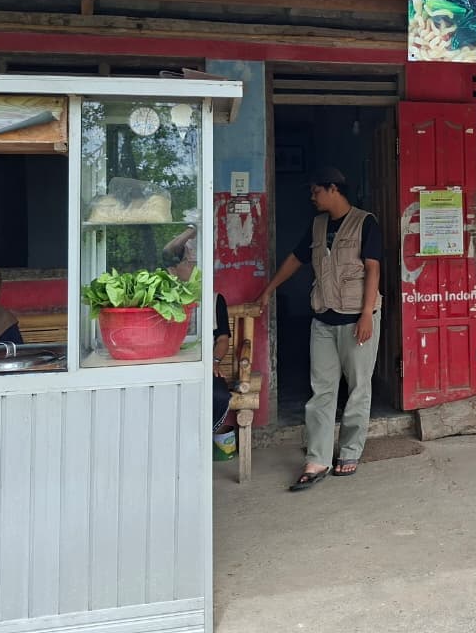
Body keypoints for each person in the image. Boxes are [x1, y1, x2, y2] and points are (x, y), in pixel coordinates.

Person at [258, 167, 382, 491]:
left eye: (316, 191)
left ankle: (351, 450)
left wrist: (367, 313)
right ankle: (318, 458)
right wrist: (269, 290)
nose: (312, 198)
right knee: (322, 391)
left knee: (357, 389)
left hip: (357, 318)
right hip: (323, 321)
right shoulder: (317, 226)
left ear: (333, 189)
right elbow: (296, 260)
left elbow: (373, 268)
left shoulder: (365, 222)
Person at [162, 218, 232, 432]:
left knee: (218, 395)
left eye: (195, 263)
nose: (194, 267)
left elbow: (222, 338)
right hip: (170, 365)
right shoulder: (165, 297)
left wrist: (214, 360)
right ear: (174, 269)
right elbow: (167, 252)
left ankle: (199, 438)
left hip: (203, 365)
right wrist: (193, 230)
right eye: (189, 263)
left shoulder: (214, 300)